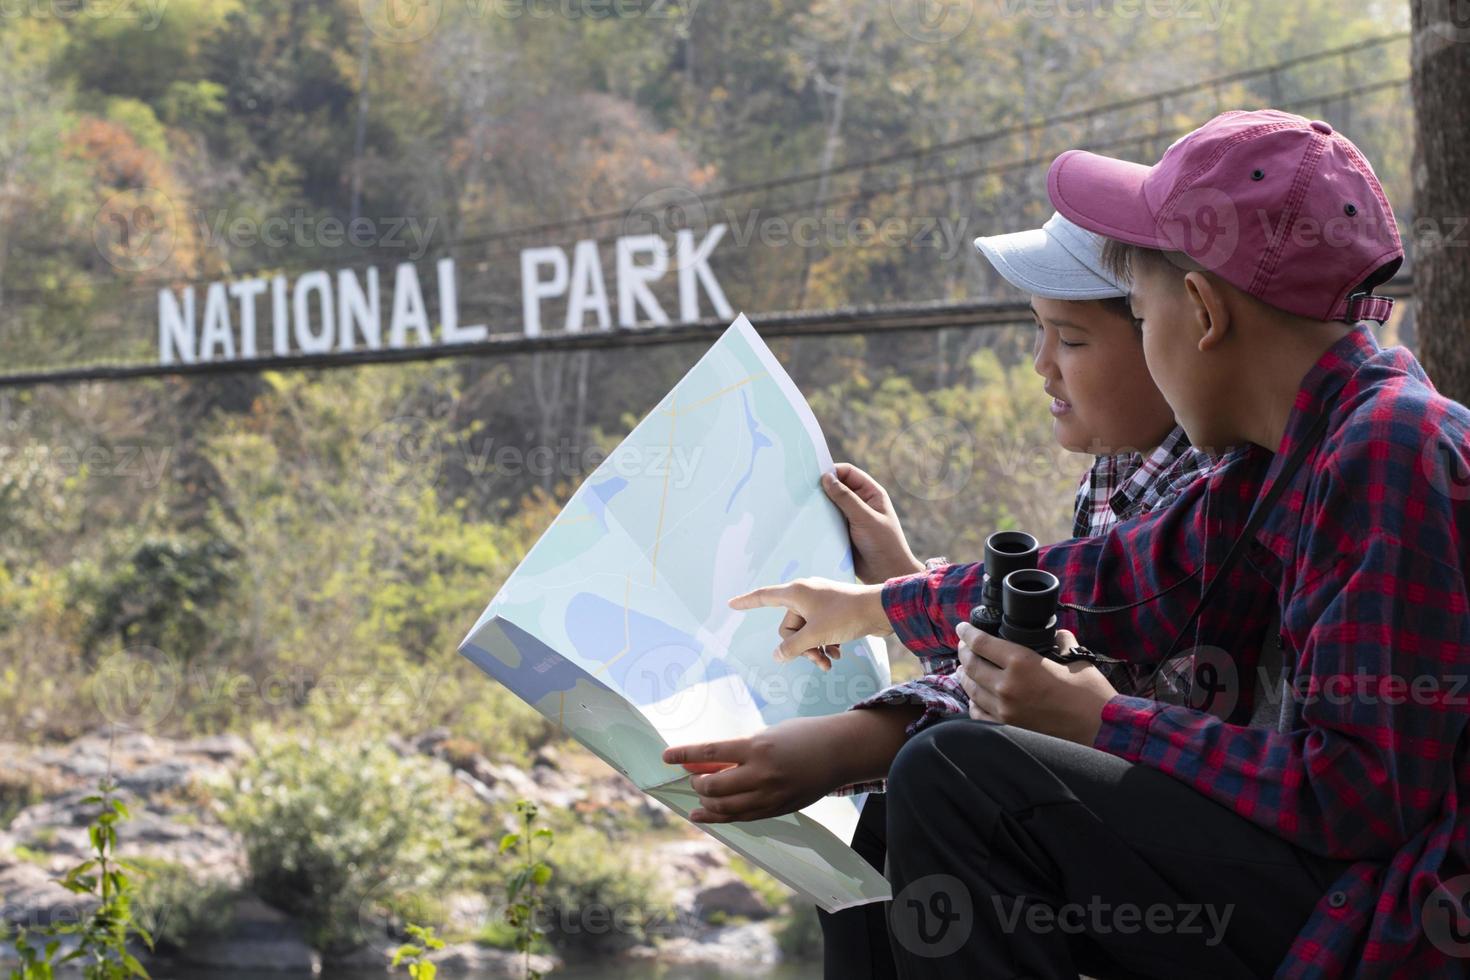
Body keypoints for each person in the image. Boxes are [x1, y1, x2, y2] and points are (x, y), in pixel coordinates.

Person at [665, 110, 1468, 977]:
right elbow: (1123, 580)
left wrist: (1102, 720)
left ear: (1199, 310)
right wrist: (875, 606)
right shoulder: (1291, 451)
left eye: (1140, 307)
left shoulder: (1387, 449)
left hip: (1380, 917)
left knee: (961, 778)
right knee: (897, 818)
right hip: (1315, 877)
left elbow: (1353, 800)